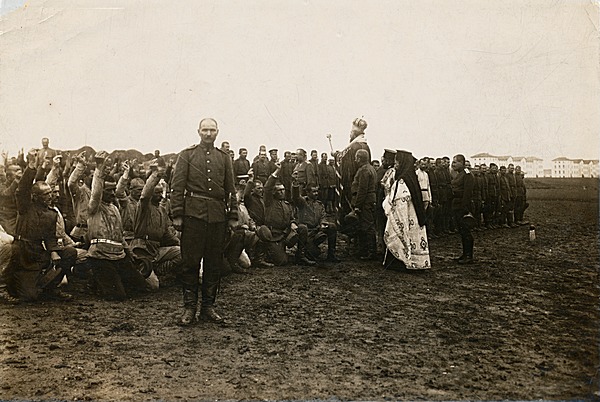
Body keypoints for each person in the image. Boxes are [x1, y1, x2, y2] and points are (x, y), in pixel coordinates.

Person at [170, 117, 238, 326]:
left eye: (212, 130)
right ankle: (189, 308)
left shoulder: (224, 158)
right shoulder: (187, 155)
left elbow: (230, 189)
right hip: (193, 217)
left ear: (217, 133)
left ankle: (208, 307)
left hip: (217, 217)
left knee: (214, 263)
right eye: (205, 130)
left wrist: (233, 215)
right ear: (198, 132)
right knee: (190, 263)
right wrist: (178, 215)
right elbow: (177, 187)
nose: (208, 134)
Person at [6, 149, 76, 301]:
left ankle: (50, 289)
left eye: (50, 193)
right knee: (29, 297)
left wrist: (54, 251)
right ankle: (25, 286)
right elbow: (23, 189)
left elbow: (50, 237)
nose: (50, 196)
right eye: (46, 194)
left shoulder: (51, 213)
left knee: (70, 252)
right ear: (35, 197)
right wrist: (31, 166)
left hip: (38, 253)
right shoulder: (25, 207)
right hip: (23, 254)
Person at [86, 151, 148, 300]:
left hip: (119, 255)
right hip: (100, 256)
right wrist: (99, 168)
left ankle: (110, 279)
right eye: (108, 191)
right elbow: (96, 193)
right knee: (117, 296)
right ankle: (94, 279)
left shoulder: (114, 208)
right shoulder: (94, 207)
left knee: (141, 289)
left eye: (113, 190)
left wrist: (129, 252)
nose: (112, 194)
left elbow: (119, 236)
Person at [130, 167, 182, 289]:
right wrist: (155, 176)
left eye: (160, 193)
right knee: (153, 286)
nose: (160, 196)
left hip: (157, 249)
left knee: (182, 253)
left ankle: (158, 269)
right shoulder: (143, 207)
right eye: (156, 193)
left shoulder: (162, 210)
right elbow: (144, 195)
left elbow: (166, 234)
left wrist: (179, 243)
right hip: (142, 250)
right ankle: (145, 271)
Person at [382, 150, 430, 270]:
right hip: (411, 215)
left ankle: (401, 263)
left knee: (400, 237)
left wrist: (387, 205)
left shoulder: (403, 180)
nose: (396, 164)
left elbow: (399, 201)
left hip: (404, 215)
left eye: (397, 162)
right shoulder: (411, 177)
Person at [332, 118, 371, 229]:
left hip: (352, 184)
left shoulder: (353, 147)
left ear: (354, 133)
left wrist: (336, 155)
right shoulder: (366, 146)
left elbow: (345, 163)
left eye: (351, 133)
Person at [292, 184, 340, 263]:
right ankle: (302, 254)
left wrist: (323, 223)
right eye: (314, 191)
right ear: (307, 192)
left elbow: (323, 216)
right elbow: (295, 197)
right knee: (314, 253)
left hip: (317, 230)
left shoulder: (319, 204)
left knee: (332, 226)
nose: (316, 193)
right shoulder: (302, 202)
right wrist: (295, 185)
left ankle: (331, 255)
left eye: (317, 191)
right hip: (307, 233)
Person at [351, 149, 377, 260]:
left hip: (365, 201)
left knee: (367, 226)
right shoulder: (370, 168)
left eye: (356, 157)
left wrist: (357, 205)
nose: (355, 160)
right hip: (369, 200)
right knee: (364, 226)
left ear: (360, 158)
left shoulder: (364, 170)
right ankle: (364, 250)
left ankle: (371, 252)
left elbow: (362, 189)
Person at [451, 154, 475, 264]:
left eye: (455, 162)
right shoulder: (459, 174)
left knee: (466, 231)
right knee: (462, 231)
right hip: (457, 205)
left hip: (463, 206)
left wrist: (465, 209)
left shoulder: (467, 175)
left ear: (462, 163)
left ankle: (469, 256)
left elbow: (467, 193)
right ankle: (465, 254)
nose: (453, 164)